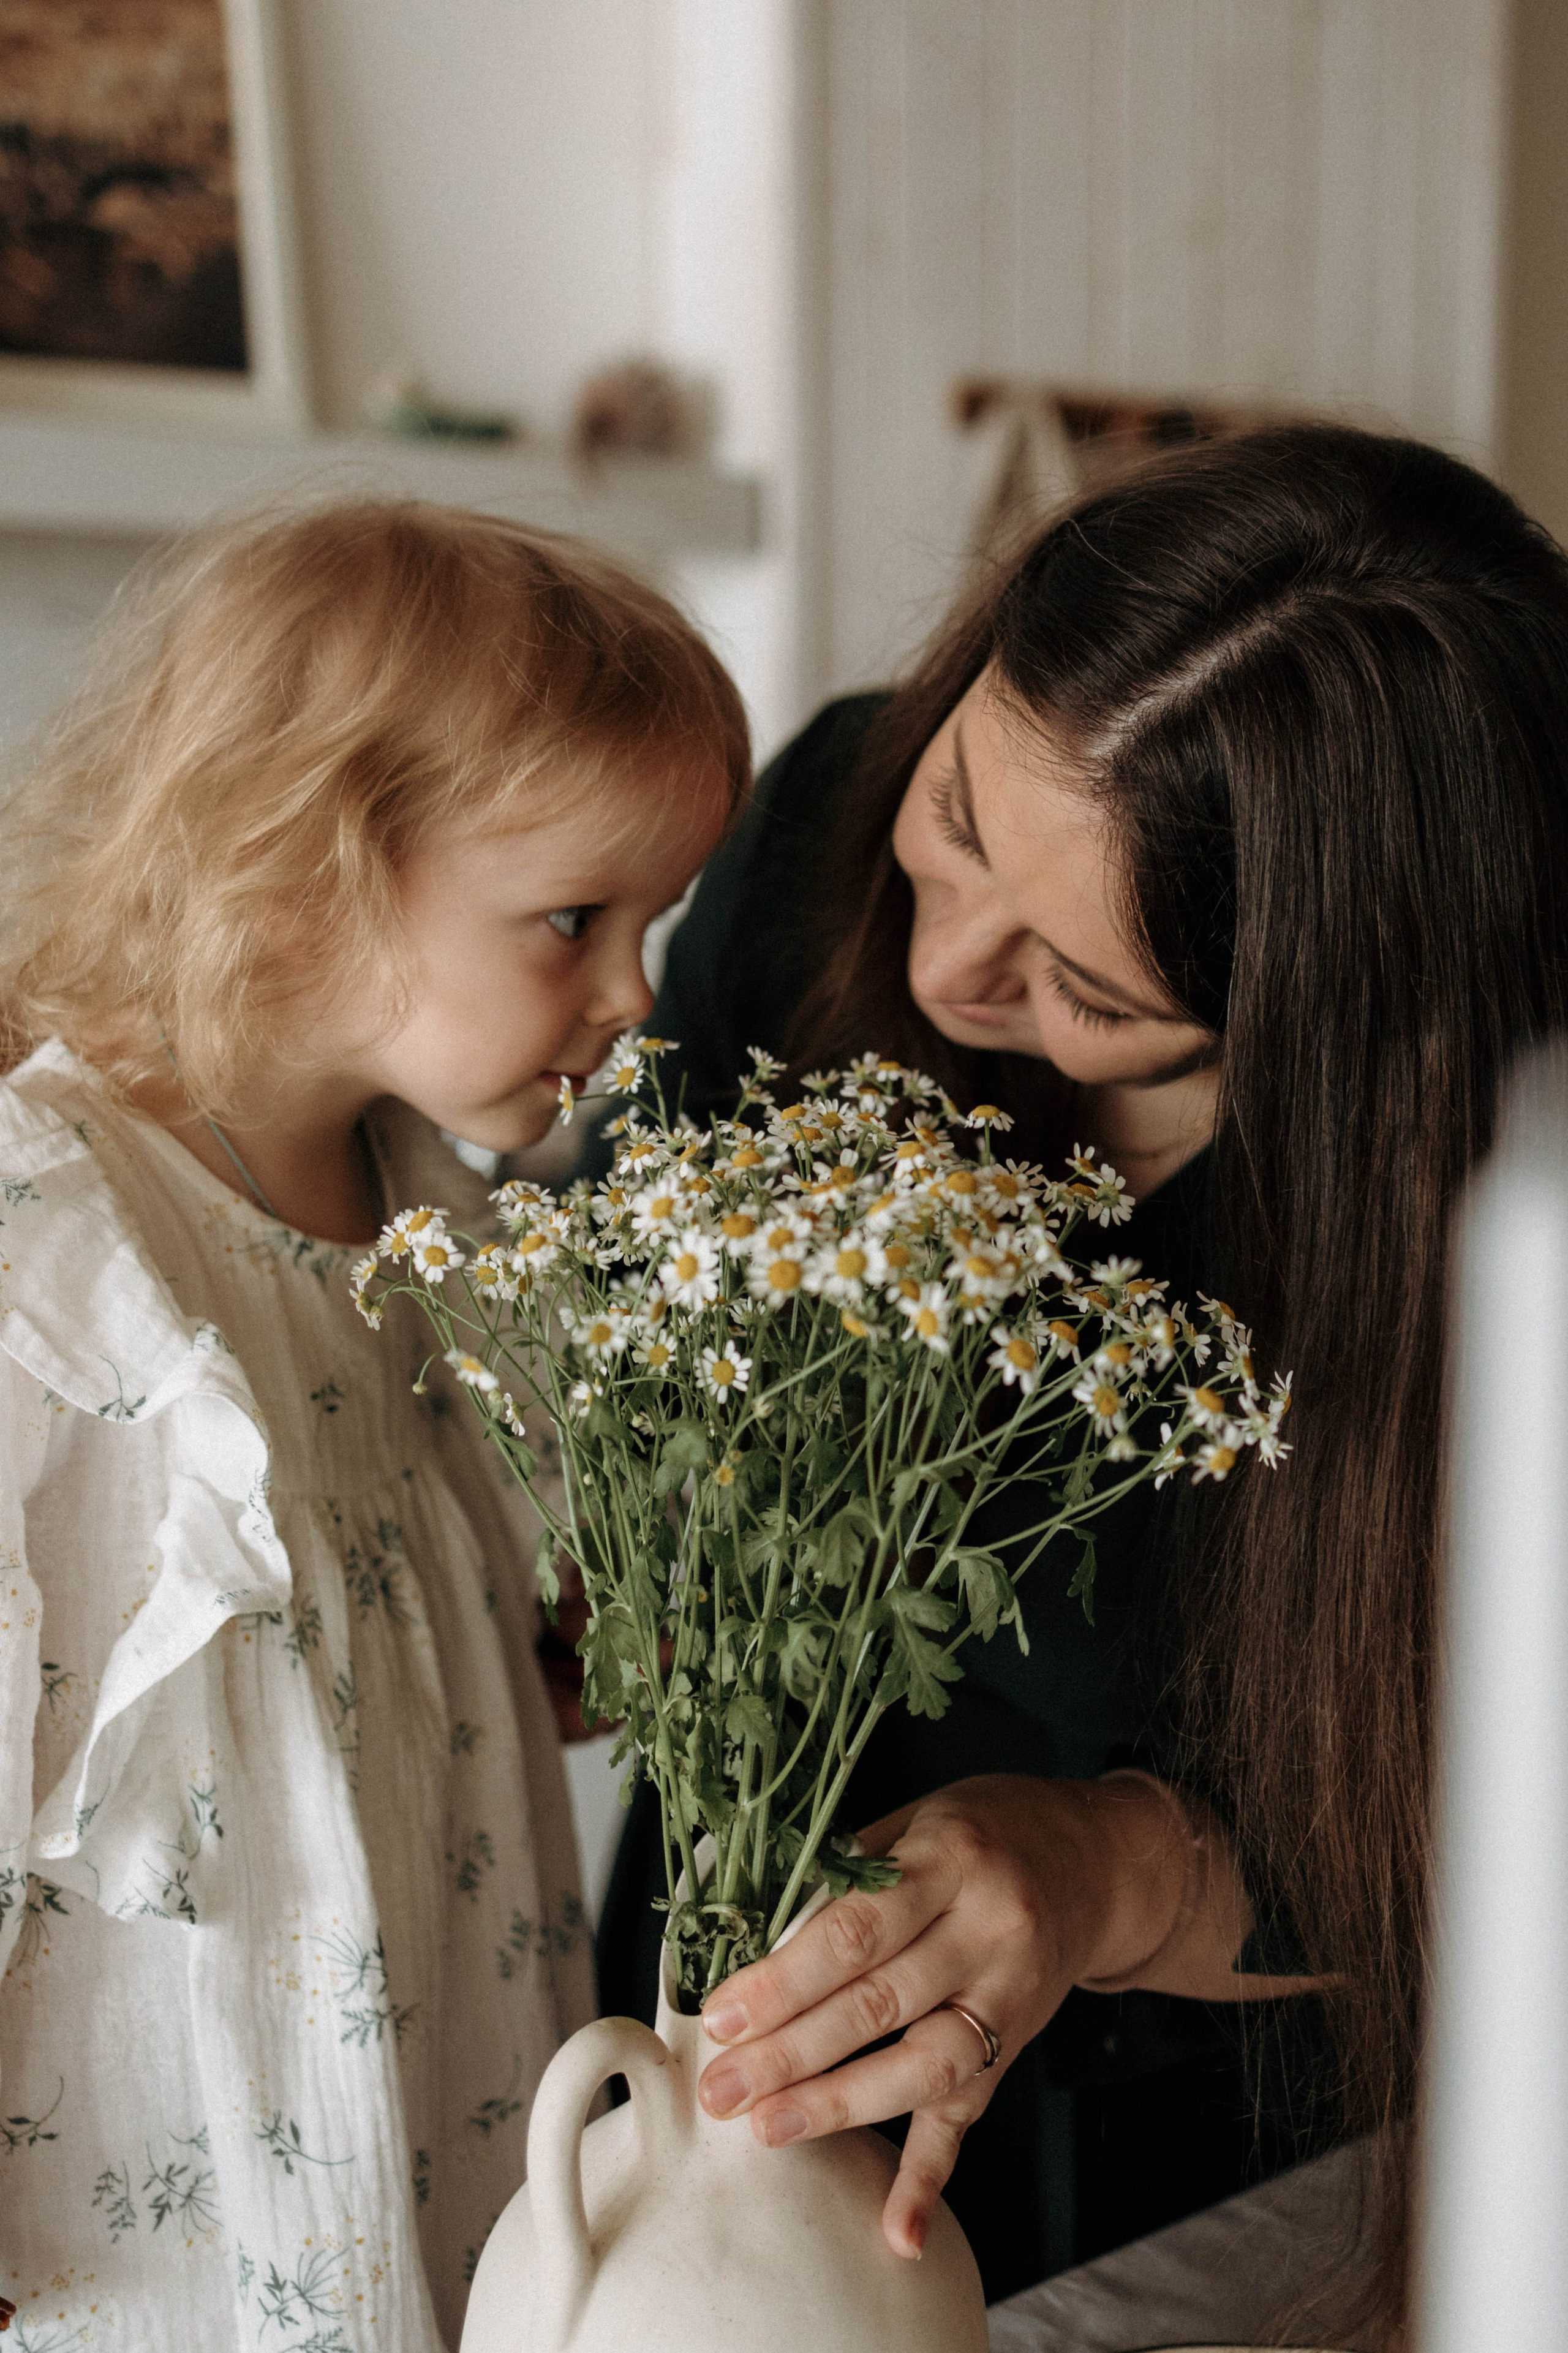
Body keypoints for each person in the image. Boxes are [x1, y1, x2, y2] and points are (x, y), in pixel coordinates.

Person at [593, 424, 1568, 2335]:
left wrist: (1113, 1864)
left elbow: (1490, 1819)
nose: (951, 966)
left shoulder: (1489, 1225)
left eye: (1095, 996)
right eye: (959, 815)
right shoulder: (807, 857)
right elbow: (645, 1314)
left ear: (1340, 1025)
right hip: (721, 2057)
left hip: (1197, 2180)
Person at [0, 502, 746, 2350]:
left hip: (438, 2056)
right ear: (296, 864)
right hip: (165, 2160)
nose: (638, 990)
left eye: (656, 918)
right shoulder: (62, 1250)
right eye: (574, 916)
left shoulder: (442, 1220)